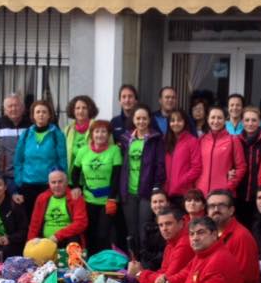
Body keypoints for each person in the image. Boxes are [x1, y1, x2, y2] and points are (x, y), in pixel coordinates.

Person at [127, 207, 194, 283]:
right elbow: (164, 271)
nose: (164, 228)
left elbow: (166, 281)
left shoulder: (183, 244)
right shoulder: (172, 242)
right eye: (161, 225)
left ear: (180, 223)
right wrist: (143, 275)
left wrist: (139, 274)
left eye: (168, 223)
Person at [71, 120, 122, 254]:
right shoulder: (83, 151)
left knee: (103, 235)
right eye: (97, 131)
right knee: (89, 233)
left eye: (104, 131)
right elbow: (75, 172)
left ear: (109, 134)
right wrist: (76, 187)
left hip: (107, 201)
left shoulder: (114, 150)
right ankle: (90, 264)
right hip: (88, 199)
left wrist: (112, 198)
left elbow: (117, 177)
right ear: (91, 134)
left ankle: (102, 264)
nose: (100, 135)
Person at [118, 105, 165, 249]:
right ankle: (134, 261)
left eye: (144, 118)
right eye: (138, 118)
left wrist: (157, 187)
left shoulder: (155, 139)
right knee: (131, 231)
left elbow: (159, 164)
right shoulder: (126, 139)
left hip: (147, 191)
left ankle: (144, 263)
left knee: (144, 228)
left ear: (149, 120)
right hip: (128, 192)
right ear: (133, 120)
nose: (141, 121)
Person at [13, 100, 68, 215]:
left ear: (49, 115)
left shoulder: (57, 135)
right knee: (29, 218)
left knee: (46, 217)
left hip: (49, 184)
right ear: (33, 115)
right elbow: (18, 160)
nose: (41, 115)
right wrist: (19, 182)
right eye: (37, 112)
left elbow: (62, 160)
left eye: (44, 112)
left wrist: (62, 182)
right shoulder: (26, 134)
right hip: (27, 184)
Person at [27, 169, 88, 248]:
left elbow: (81, 223)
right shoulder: (42, 198)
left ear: (66, 183)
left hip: (67, 239)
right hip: (45, 241)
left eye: (60, 182)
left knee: (74, 240)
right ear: (49, 184)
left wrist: (57, 236)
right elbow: (34, 224)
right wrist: (30, 243)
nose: (57, 185)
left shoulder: (75, 197)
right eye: (53, 182)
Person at [0, 93, 31, 190]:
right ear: (5, 110)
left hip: (27, 176)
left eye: (16, 105)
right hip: (6, 177)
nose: (13, 109)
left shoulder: (30, 125)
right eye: (10, 106)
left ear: (23, 108)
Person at [197, 106, 246, 196]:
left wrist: (229, 186)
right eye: (213, 117)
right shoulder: (202, 140)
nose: (216, 121)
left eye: (219, 118)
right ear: (207, 119)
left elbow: (241, 167)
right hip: (201, 192)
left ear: (225, 120)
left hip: (223, 193)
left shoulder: (233, 140)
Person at [235, 106, 261, 225]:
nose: (250, 123)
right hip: (238, 194)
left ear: (259, 122)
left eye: (254, 120)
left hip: (259, 195)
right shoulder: (236, 141)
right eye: (247, 120)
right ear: (242, 122)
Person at [164, 109, 201, 205]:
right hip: (166, 192)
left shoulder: (192, 141)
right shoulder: (165, 141)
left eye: (179, 120)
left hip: (184, 194)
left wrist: (181, 182)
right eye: (172, 120)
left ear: (185, 122)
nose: (176, 123)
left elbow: (196, 168)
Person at [63, 95, 100, 180]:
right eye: (77, 108)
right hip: (71, 178)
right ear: (73, 110)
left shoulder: (98, 127)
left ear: (90, 110)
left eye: (84, 108)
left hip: (92, 177)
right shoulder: (67, 130)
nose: (81, 111)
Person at [137, 188, 170, 270]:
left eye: (161, 201)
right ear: (151, 205)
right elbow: (143, 251)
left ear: (168, 203)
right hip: (149, 268)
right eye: (155, 202)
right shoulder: (147, 226)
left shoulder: (174, 224)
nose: (158, 205)